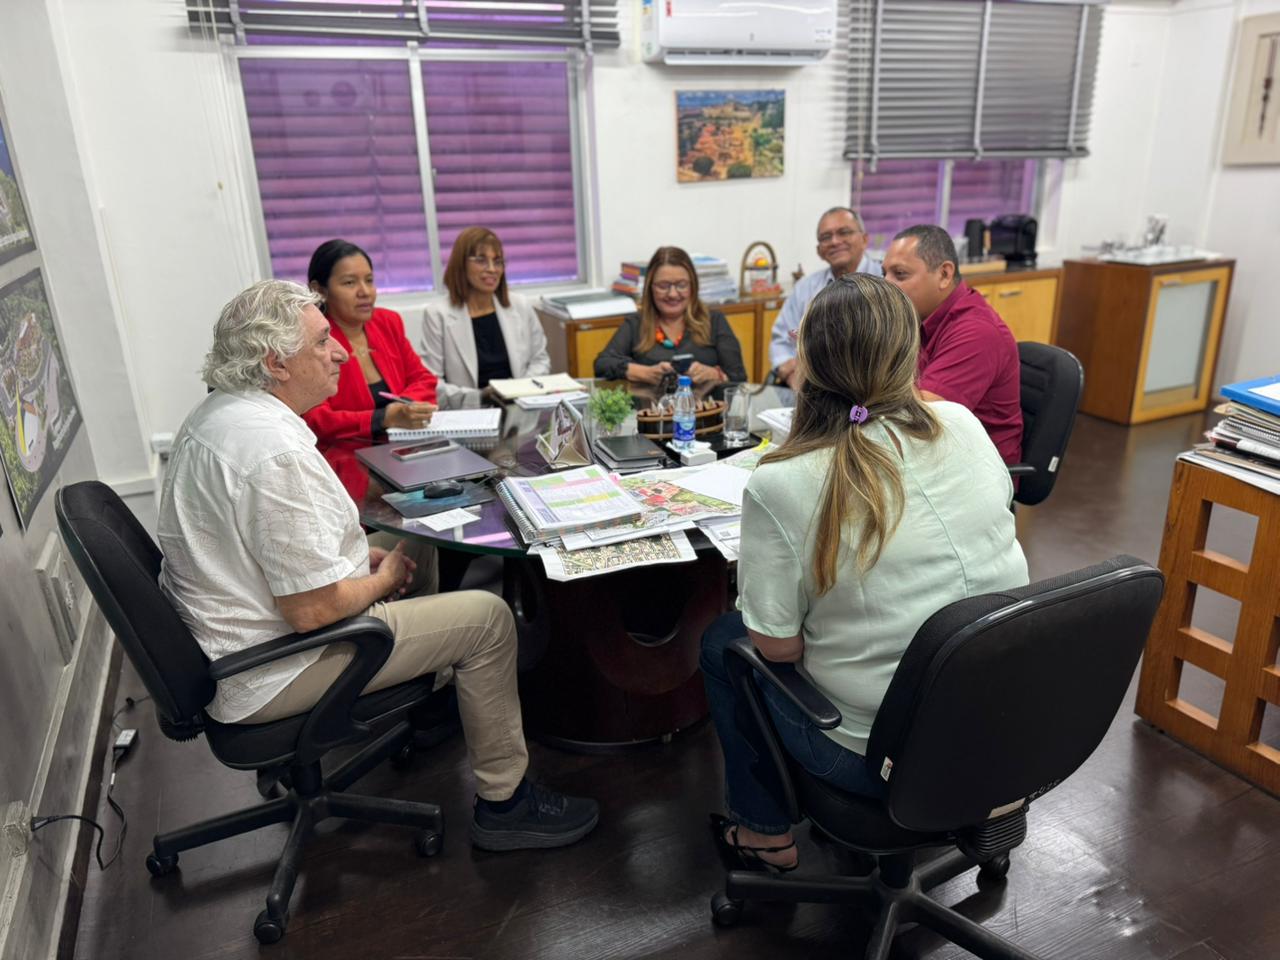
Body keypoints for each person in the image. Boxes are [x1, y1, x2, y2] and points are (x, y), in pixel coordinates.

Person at [157, 279, 598, 851]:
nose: (340, 352)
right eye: (322, 342)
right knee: (489, 619)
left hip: (242, 636)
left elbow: (256, 544)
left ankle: (435, 706)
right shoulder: (272, 450)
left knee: (422, 538)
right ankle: (505, 804)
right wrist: (383, 578)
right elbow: (313, 610)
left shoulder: (222, 414)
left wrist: (357, 556)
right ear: (275, 362)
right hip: (277, 666)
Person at [700, 274, 1027, 872]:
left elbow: (776, 648)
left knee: (725, 642)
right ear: (911, 352)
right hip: (1002, 725)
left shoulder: (783, 481)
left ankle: (765, 835)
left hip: (877, 759)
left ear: (808, 362)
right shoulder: (963, 423)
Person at [882, 224, 1023, 465]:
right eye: (884, 274)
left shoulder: (976, 332)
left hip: (974, 470)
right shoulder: (921, 316)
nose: (886, 285)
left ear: (945, 274)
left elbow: (920, 422)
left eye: (900, 274)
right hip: (939, 452)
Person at [301, 239, 439, 446]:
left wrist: (406, 409)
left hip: (405, 444)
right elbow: (316, 419)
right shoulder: (313, 339)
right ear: (319, 290)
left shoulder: (388, 322)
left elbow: (424, 379)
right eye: (350, 282)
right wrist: (383, 418)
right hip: (346, 453)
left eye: (369, 280)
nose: (365, 292)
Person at [421, 227, 552, 407]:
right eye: (481, 260)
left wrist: (518, 391)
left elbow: (540, 360)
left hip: (519, 406)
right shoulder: (437, 314)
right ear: (461, 265)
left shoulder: (520, 305)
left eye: (497, 261)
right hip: (470, 412)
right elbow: (431, 383)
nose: (492, 269)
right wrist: (480, 397)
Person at [594, 246, 747, 386]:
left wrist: (713, 374)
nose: (673, 294)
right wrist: (645, 373)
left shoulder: (714, 321)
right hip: (651, 406)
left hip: (706, 406)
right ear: (650, 288)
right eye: (663, 286)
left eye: (681, 285)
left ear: (693, 287)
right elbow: (602, 365)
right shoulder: (635, 323)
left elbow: (739, 376)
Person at [769, 207, 882, 390]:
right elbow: (781, 342)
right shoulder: (805, 289)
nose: (835, 241)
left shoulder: (886, 281)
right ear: (819, 250)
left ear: (864, 239)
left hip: (874, 388)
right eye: (826, 237)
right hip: (812, 389)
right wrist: (792, 375)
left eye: (844, 232)